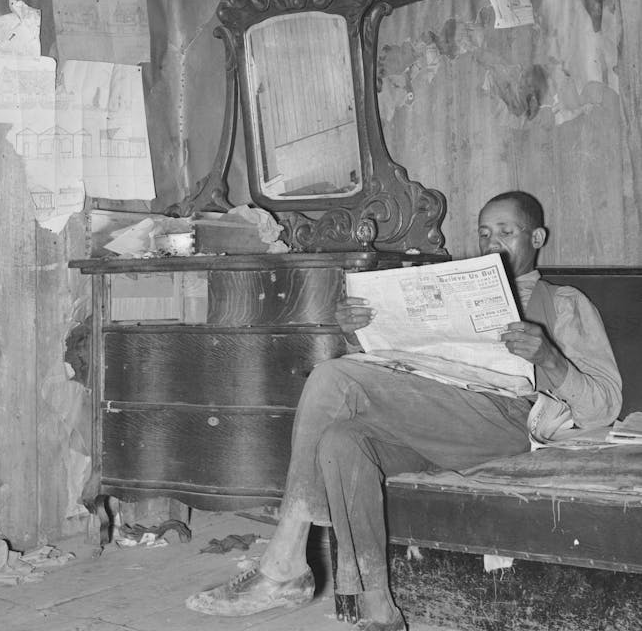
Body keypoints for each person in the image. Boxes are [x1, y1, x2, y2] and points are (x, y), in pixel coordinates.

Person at [185, 191, 622, 630]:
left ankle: (282, 564)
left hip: (506, 425)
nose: (493, 243)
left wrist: (549, 358)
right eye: (484, 233)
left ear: (538, 237)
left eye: (506, 232)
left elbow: (605, 406)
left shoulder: (564, 303)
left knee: (332, 377)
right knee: (342, 441)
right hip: (434, 422)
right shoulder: (452, 290)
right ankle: (380, 613)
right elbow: (404, 374)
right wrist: (361, 334)